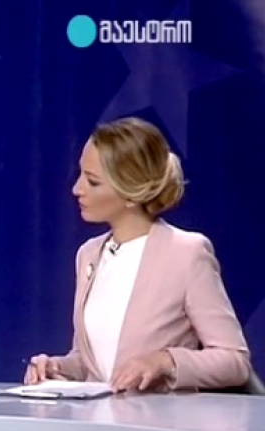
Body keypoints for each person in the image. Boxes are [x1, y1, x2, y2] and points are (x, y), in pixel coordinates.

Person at [25, 117, 250, 392]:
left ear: (131, 195)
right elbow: (94, 364)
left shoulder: (186, 254)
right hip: (96, 419)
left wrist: (166, 361)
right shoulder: (88, 254)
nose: (76, 189)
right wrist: (57, 367)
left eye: (93, 182)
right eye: (81, 174)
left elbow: (234, 360)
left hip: (160, 418)